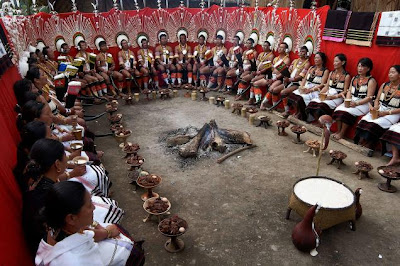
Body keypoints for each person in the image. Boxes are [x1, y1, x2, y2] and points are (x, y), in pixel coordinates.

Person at [35, 181, 144, 265]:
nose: (94, 207)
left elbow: (86, 234)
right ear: (71, 219)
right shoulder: (77, 261)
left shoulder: (55, 226)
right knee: (132, 252)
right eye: (89, 205)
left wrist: (107, 232)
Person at [354, 65, 400, 149]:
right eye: (389, 72)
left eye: (393, 73)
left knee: (375, 124)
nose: (390, 74)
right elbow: (377, 99)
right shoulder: (384, 85)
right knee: (364, 120)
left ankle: (370, 144)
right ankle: (362, 141)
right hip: (380, 108)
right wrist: (375, 107)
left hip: (393, 113)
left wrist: (386, 113)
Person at [332, 58, 377, 140]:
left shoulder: (371, 81)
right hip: (352, 100)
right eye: (359, 66)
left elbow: (369, 97)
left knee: (347, 112)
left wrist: (356, 103)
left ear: (368, 68)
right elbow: (349, 90)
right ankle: (338, 131)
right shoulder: (354, 78)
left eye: (363, 66)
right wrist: (348, 100)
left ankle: (342, 133)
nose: (360, 68)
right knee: (338, 109)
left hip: (364, 103)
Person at [306, 53, 350, 120]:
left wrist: (334, 97)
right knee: (312, 103)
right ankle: (317, 121)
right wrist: (321, 94)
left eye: (336, 61)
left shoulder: (346, 76)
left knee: (321, 106)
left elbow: (345, 91)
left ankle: (322, 123)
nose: (334, 63)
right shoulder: (331, 73)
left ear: (343, 62)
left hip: (337, 96)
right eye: (334, 61)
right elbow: (326, 86)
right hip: (328, 94)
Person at [287, 52, 329, 120]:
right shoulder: (311, 68)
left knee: (301, 98)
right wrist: (301, 87)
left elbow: (322, 84)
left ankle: (301, 114)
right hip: (306, 87)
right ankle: (297, 112)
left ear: (322, 60)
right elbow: (305, 79)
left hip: (314, 89)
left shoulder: (325, 71)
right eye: (315, 57)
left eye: (318, 58)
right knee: (293, 95)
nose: (315, 59)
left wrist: (310, 90)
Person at [256, 42, 291, 110]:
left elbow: (283, 73)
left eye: (281, 47)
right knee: (255, 83)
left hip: (280, 79)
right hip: (271, 76)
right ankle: (258, 101)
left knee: (272, 88)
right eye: (279, 47)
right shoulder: (275, 59)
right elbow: (269, 67)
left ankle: (264, 104)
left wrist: (273, 79)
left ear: (285, 50)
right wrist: (261, 66)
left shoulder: (287, 59)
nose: (279, 49)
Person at [278, 46, 311, 116]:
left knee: (283, 92)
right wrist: (285, 75)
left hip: (298, 84)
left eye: (303, 52)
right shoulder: (294, 61)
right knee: (275, 90)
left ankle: (288, 111)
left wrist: (289, 79)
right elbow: (289, 70)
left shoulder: (307, 63)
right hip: (289, 81)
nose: (300, 53)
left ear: (307, 53)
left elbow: (301, 76)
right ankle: (286, 110)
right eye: (300, 51)